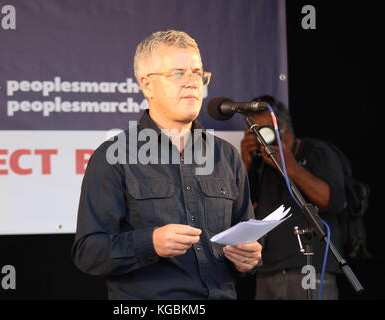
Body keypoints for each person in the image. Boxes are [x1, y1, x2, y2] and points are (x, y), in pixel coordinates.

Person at [72, 30, 261, 299]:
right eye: (178, 73)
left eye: (197, 73)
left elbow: (245, 238)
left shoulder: (226, 156)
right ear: (147, 85)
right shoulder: (113, 156)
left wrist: (249, 259)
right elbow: (88, 252)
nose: (192, 82)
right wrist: (150, 243)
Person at [240, 95, 346, 300]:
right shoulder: (260, 163)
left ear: (282, 127)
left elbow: (332, 201)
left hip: (309, 266)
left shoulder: (316, 151)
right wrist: (246, 163)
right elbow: (240, 207)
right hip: (267, 268)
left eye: (262, 131)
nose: (258, 138)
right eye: (252, 132)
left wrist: (291, 167)